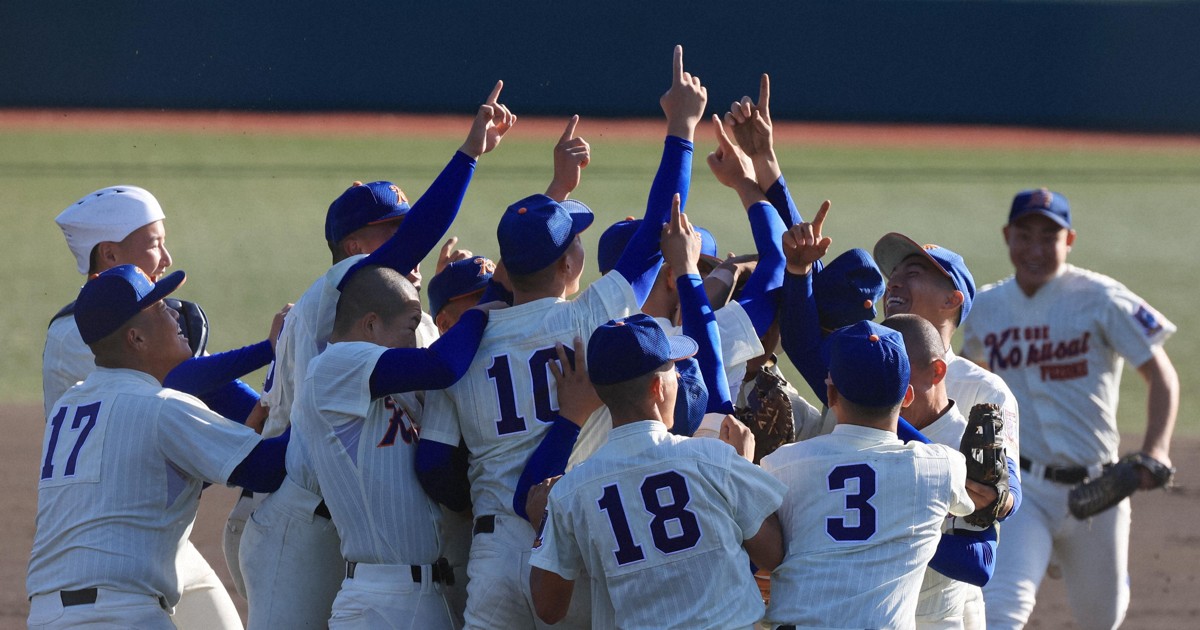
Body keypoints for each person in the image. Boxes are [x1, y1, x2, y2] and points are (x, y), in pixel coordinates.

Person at [416, 45, 705, 630]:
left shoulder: (466, 344)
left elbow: (436, 464)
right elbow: (654, 235)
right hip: (576, 543)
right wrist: (681, 130)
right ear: (572, 263)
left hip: (495, 554)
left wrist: (557, 193)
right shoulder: (587, 322)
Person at [239, 83, 515, 630]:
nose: (409, 244)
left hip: (356, 527)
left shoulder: (381, 317)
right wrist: (468, 155)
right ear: (355, 249)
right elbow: (419, 250)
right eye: (392, 232)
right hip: (302, 525)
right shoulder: (336, 295)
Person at [48, 184, 284, 629]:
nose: (168, 258)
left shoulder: (123, 345)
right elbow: (177, 395)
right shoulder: (82, 339)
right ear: (110, 255)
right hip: (111, 561)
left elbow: (199, 400)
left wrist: (255, 418)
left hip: (146, 540)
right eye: (155, 243)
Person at [961, 188, 1179, 630]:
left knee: (1102, 618)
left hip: (1099, 488)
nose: (1036, 249)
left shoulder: (1099, 297)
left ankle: (1068, 558)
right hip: (1024, 490)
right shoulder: (985, 307)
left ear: (1070, 241)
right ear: (1007, 236)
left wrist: (1156, 449)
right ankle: (1041, 550)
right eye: (1025, 236)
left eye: (1049, 237)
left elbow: (1162, 375)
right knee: (1000, 613)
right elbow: (975, 391)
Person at [528, 314, 785, 629]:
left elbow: (548, 607)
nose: (678, 377)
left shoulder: (571, 491)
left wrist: (545, 523)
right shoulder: (713, 458)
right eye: (674, 369)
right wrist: (743, 468)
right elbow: (773, 555)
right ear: (657, 387)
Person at [292, 266, 500, 628]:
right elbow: (441, 366)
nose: (415, 339)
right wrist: (483, 310)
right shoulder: (332, 368)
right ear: (371, 325)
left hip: (425, 595)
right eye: (410, 326)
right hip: (379, 601)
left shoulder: (388, 386)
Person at [760, 321, 976, 629]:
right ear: (907, 397)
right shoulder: (942, 468)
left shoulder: (780, 465)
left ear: (831, 393)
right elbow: (980, 507)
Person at [873, 231, 1023, 628]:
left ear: (952, 299)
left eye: (914, 272)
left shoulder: (984, 389)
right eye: (893, 274)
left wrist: (999, 498)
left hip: (947, 588)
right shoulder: (866, 367)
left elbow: (1009, 493)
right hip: (872, 579)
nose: (895, 282)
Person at [883, 313, 1000, 629]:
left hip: (935, 620)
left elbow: (981, 563)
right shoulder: (864, 427)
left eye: (900, 371)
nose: (889, 386)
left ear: (936, 371)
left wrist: (896, 533)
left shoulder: (969, 448)